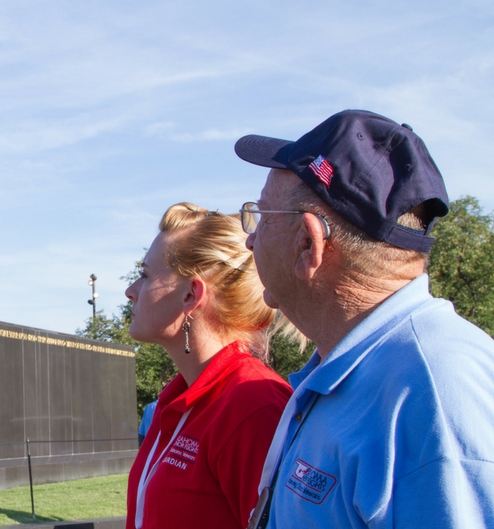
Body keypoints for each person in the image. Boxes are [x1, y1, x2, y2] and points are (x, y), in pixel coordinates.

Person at [235, 109, 494, 528]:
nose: (250, 238)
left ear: (308, 243)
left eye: (261, 216)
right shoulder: (349, 371)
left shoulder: (432, 393)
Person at [124, 203, 292, 529]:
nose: (131, 291)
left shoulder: (253, 405)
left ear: (190, 295)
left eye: (145, 275)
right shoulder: (174, 404)